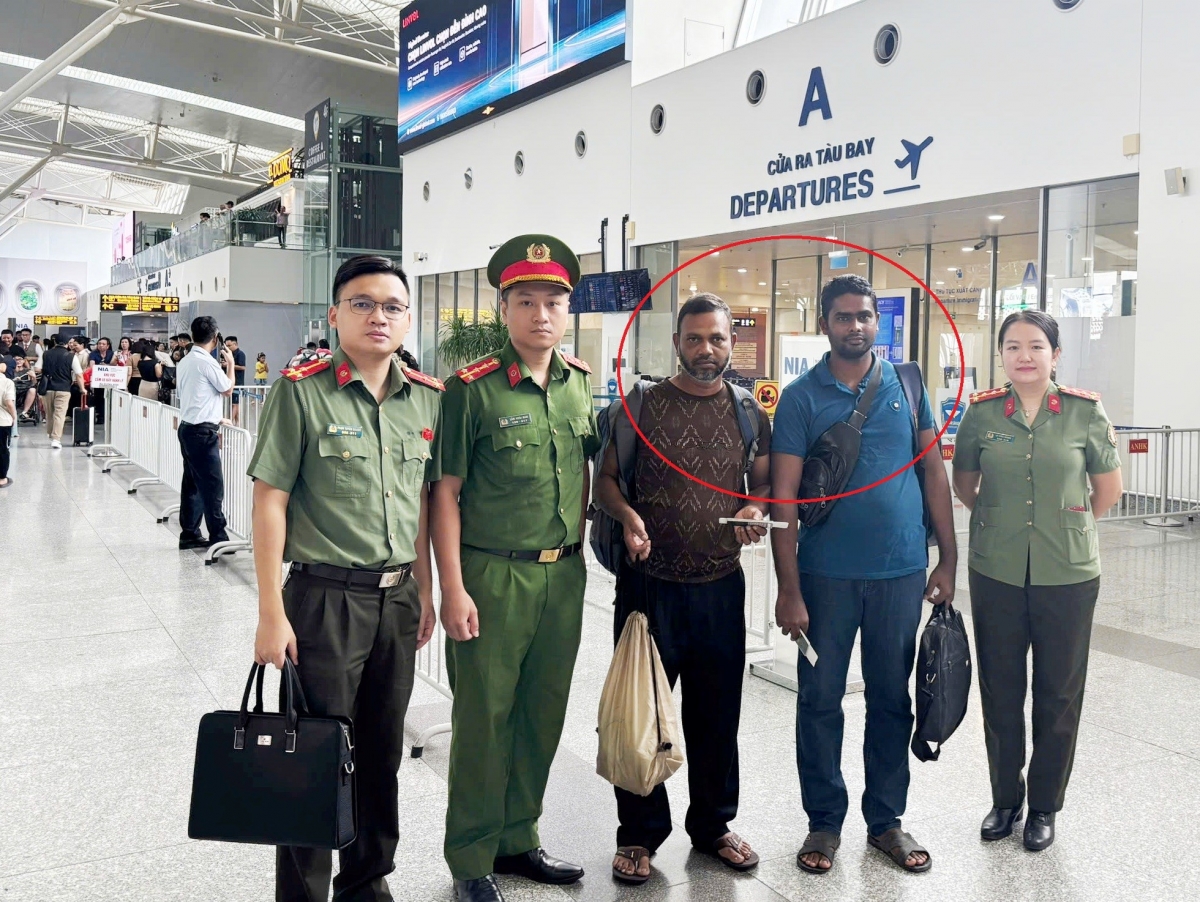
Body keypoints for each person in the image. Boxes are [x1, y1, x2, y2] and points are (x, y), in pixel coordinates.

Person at [249, 254, 443, 902]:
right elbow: (269, 500)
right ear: (335, 315)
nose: (378, 316)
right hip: (323, 600)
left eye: (392, 306)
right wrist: (270, 612)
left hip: (397, 600)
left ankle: (367, 883)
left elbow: (417, 504)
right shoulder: (301, 391)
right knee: (313, 760)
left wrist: (427, 589)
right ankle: (303, 894)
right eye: (362, 303)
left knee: (381, 755)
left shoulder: (427, 398)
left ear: (408, 318)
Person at [770, 274, 958, 875]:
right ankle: (823, 822)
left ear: (878, 323)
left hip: (900, 574)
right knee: (820, 699)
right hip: (823, 578)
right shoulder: (801, 397)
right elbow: (785, 499)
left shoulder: (906, 382)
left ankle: (887, 821)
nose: (855, 326)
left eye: (865, 317)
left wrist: (949, 559)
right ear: (825, 323)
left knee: (891, 700)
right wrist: (789, 589)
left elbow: (932, 471)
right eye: (844, 316)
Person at [432, 235, 599, 902]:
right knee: (483, 719)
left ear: (568, 311)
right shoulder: (469, 391)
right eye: (525, 301)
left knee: (541, 713)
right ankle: (471, 856)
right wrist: (452, 587)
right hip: (492, 575)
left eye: (554, 302)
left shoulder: (579, 385)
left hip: (564, 576)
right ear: (503, 309)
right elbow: (444, 491)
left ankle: (517, 837)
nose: (541, 315)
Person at [594, 292, 772, 885]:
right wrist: (628, 517)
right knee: (638, 712)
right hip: (649, 591)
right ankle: (639, 836)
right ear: (676, 342)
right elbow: (606, 485)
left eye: (717, 338)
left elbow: (761, 486)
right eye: (694, 338)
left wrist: (750, 508)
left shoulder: (749, 411)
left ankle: (713, 825)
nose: (706, 349)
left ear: (730, 343)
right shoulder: (640, 406)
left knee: (717, 716)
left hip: (721, 588)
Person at [951, 310, 1123, 852]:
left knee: (1059, 692)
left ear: (1055, 354)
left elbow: (1108, 490)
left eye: (1035, 346)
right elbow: (965, 483)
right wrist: (1001, 524)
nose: (1024, 355)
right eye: (1012, 346)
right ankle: (1005, 799)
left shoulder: (1084, 412)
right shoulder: (981, 414)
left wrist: (1065, 524)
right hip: (996, 569)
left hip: (1067, 573)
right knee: (1000, 689)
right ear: (1000, 354)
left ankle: (1044, 805)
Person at [175, 317, 236, 550]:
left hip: (188, 427)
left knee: (192, 483)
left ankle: (189, 533)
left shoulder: (185, 361)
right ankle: (218, 537)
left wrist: (214, 415)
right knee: (212, 485)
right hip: (202, 433)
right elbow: (227, 389)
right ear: (215, 337)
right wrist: (229, 364)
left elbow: (191, 394)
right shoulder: (208, 363)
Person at [40, 334, 75, 449]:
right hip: (64, 389)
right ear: (67, 343)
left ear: (55, 342)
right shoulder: (71, 356)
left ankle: (51, 434)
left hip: (48, 388)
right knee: (59, 414)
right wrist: (83, 388)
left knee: (50, 413)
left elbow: (37, 368)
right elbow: (78, 373)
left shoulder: (46, 354)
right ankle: (56, 439)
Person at [87, 337, 114, 424]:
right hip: (98, 379)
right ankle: (100, 416)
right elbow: (92, 366)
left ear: (108, 346)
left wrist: (106, 365)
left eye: (103, 344)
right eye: (99, 344)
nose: (101, 345)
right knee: (99, 397)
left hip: (109, 379)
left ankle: (109, 415)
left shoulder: (111, 353)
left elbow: (114, 365)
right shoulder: (93, 354)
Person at [224, 336, 246, 425]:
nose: (227, 348)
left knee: (235, 404)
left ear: (235, 344)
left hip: (238, 382)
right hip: (229, 382)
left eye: (229, 346)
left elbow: (243, 367)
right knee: (233, 403)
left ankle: (230, 422)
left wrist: (229, 364)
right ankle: (237, 423)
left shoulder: (240, 354)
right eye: (226, 346)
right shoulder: (228, 354)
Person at [0, 361, 13, 486]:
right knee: (3, 449)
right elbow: (9, 403)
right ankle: (2, 478)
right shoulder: (7, 382)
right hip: (3, 421)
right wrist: (14, 416)